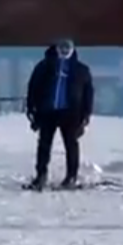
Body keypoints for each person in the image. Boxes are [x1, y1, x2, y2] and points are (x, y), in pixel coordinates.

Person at [23, 38, 94, 190]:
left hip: (71, 113)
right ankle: (41, 175)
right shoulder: (44, 66)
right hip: (47, 111)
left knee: (71, 145)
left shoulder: (81, 69)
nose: (64, 50)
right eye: (61, 47)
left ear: (73, 50)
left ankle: (71, 176)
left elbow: (88, 94)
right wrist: (31, 108)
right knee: (44, 144)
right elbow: (33, 87)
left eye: (67, 48)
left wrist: (86, 114)